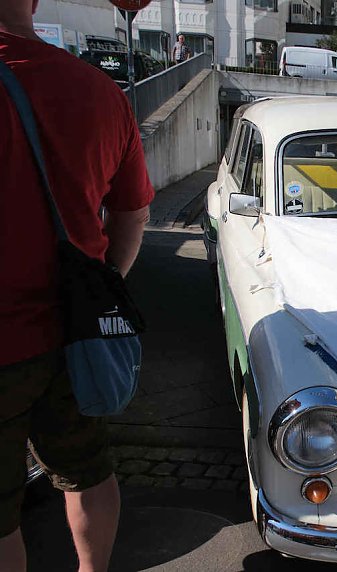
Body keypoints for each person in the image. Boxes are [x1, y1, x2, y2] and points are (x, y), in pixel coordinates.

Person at [1, 2, 154, 571]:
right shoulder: (97, 91)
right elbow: (133, 212)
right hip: (73, 335)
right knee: (87, 473)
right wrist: (100, 288)